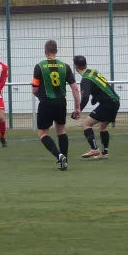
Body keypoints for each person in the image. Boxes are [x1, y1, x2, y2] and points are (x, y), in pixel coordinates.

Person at [31, 40, 81, 171]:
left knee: (42, 133)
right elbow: (75, 88)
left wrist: (41, 97)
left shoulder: (39, 66)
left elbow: (34, 89)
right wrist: (77, 108)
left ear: (45, 51)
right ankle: (65, 160)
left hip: (46, 103)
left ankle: (59, 156)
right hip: (61, 103)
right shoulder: (65, 66)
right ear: (56, 51)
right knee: (61, 130)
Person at [72, 55, 120, 160]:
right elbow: (102, 86)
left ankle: (94, 149)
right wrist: (95, 98)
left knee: (86, 124)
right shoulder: (93, 72)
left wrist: (78, 110)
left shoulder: (85, 79)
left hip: (107, 104)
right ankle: (105, 153)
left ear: (75, 67)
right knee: (103, 127)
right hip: (115, 101)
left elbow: (85, 98)